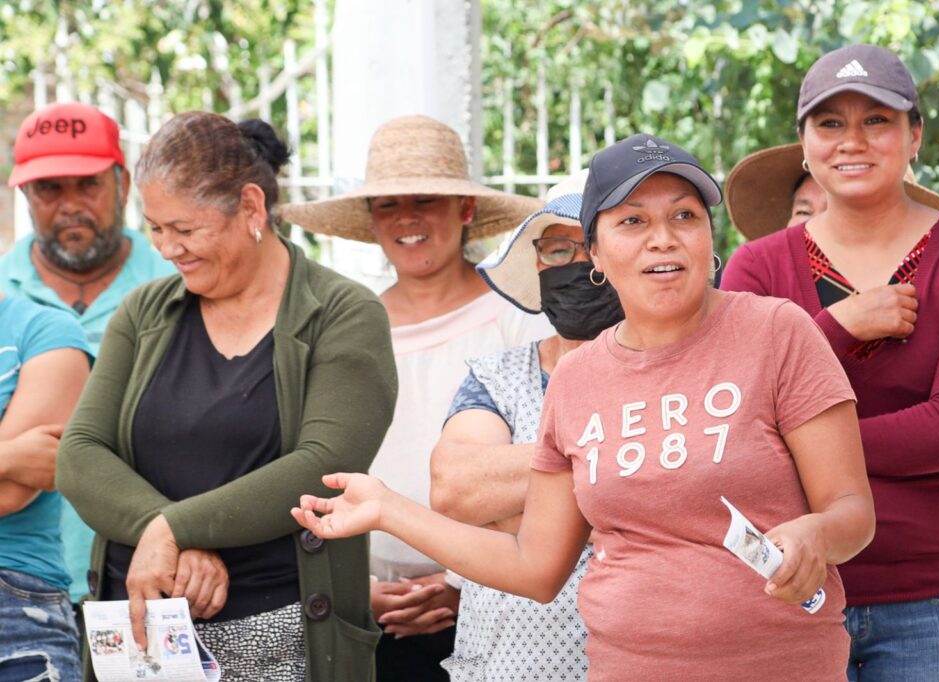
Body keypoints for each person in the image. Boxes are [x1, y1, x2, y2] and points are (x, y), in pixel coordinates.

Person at [293, 134, 877, 681]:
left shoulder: (778, 332)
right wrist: (389, 510)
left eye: (684, 215)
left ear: (709, 237)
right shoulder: (577, 379)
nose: (663, 237)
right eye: (632, 221)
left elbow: (852, 512)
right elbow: (535, 566)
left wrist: (815, 535)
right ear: (595, 252)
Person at [56, 112, 398, 682]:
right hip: (144, 643)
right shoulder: (144, 313)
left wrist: (173, 530)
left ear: (251, 208)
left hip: (284, 640)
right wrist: (168, 537)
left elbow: (324, 466)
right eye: (155, 228)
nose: (167, 248)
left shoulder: (343, 314)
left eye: (185, 230)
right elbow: (80, 452)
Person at [720, 44, 939, 681]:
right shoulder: (757, 267)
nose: (851, 141)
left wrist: (792, 438)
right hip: (786, 592)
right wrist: (834, 327)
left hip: (932, 601)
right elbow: (739, 416)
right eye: (830, 123)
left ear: (914, 136)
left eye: (876, 120)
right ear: (803, 142)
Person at [281, 115, 551, 680]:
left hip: (502, 594)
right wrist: (363, 588)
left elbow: (543, 462)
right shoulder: (345, 325)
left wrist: (460, 581)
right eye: (388, 205)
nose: (407, 218)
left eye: (427, 199)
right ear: (372, 223)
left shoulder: (519, 318)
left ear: (466, 211)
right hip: (369, 602)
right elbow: (316, 458)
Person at [430, 171, 622, 680]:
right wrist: (613, 501)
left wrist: (512, 518)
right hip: (501, 666)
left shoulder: (677, 376)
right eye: (559, 251)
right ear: (537, 263)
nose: (579, 267)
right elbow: (455, 487)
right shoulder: (495, 376)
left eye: (592, 249)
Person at [1, 102, 177, 604]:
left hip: (156, 573)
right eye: (49, 188)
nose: (70, 205)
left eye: (88, 184)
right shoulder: (5, 301)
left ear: (122, 183)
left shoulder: (180, 286)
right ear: (26, 195)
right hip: (29, 583)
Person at [0, 293, 90, 681]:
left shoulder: (45, 332)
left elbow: (11, 494)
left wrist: (17, 463)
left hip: (14, 602)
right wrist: (7, 456)